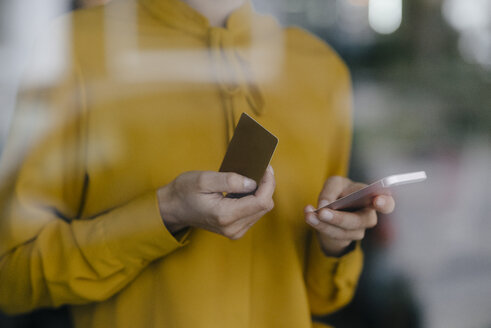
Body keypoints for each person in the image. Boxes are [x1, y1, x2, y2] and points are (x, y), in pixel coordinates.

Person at [0, 0, 395, 327]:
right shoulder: (77, 47)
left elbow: (322, 298)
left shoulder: (321, 68)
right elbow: (11, 274)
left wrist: (335, 241)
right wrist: (164, 213)